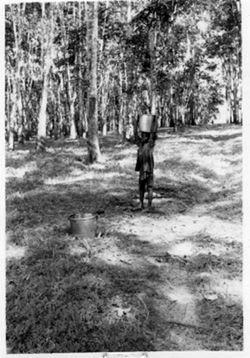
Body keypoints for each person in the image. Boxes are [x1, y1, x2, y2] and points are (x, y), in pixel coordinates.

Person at [135, 124, 157, 210]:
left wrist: (152, 123)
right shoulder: (140, 146)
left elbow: (153, 135)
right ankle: (141, 203)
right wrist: (135, 123)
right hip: (142, 169)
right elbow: (135, 136)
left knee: (150, 187)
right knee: (141, 187)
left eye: (145, 136)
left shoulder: (150, 144)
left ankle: (149, 205)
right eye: (142, 136)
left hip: (149, 169)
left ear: (148, 137)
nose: (143, 137)